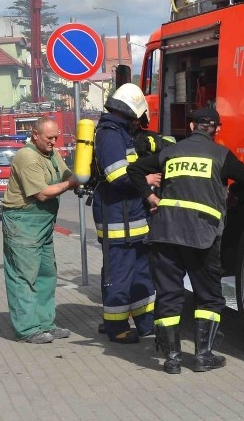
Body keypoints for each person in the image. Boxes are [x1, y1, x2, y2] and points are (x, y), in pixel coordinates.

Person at [128, 107, 244, 374]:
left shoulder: (170, 152)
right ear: (217, 130)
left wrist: (150, 196)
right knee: (209, 298)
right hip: (202, 237)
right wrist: (230, 188)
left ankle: (172, 359)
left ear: (190, 127)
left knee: (168, 296)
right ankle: (203, 356)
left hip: (164, 234)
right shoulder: (221, 154)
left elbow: (134, 169)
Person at [1, 117, 78, 344]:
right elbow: (43, 193)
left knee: (46, 273)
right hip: (23, 221)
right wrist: (71, 184)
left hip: (43, 223)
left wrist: (82, 175)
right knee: (24, 276)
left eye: (57, 137)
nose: (54, 142)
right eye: (49, 138)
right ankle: (27, 329)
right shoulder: (27, 156)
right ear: (35, 134)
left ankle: (45, 323)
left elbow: (65, 175)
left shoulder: (52, 154)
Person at [92, 83, 159, 344]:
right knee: (119, 276)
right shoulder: (110, 134)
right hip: (118, 221)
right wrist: (146, 178)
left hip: (134, 220)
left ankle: (145, 324)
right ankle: (117, 328)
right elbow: (117, 175)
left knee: (141, 276)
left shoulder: (120, 133)